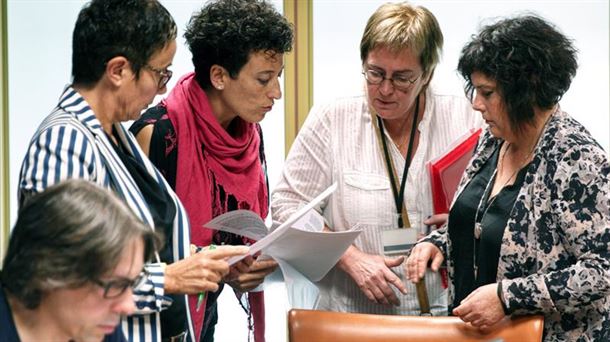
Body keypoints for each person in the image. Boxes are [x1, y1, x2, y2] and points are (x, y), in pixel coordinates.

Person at [17, 1, 248, 341]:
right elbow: (61, 278)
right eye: (160, 73)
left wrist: (203, 259)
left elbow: (129, 246)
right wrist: (168, 279)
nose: (164, 88)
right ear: (118, 70)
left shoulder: (115, 133)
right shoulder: (65, 141)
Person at [405, 15, 610, 341]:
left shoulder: (577, 159)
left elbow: (602, 271)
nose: (476, 104)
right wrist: (442, 241)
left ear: (525, 91)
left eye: (487, 92)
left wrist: (507, 297)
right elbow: (490, 220)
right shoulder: (495, 137)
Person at [271, 2, 482, 316]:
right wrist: (348, 256)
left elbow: (502, 205)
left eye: (402, 78)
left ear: (427, 74)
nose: (385, 89)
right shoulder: (334, 117)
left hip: (440, 312)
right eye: (375, 73)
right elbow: (288, 205)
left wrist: (466, 222)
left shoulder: (465, 117)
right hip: (350, 314)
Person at [130, 0, 293, 340]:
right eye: (264, 79)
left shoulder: (249, 132)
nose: (276, 93)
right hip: (152, 323)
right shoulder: (158, 133)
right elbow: (129, 255)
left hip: (204, 316)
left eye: (278, 77)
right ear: (219, 76)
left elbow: (227, 240)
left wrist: (243, 268)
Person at [1, 180, 160, 342]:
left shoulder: (98, 330)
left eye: (132, 284)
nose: (129, 307)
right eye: (116, 285)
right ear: (50, 270)